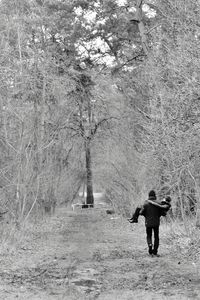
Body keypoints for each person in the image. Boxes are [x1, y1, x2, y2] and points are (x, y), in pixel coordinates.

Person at [129, 190, 171, 256]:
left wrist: (145, 215)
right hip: (156, 223)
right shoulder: (159, 203)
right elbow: (162, 213)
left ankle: (150, 247)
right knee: (156, 237)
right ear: (155, 195)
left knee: (149, 235)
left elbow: (141, 213)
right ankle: (155, 252)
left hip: (148, 223)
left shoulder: (145, 203)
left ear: (149, 195)